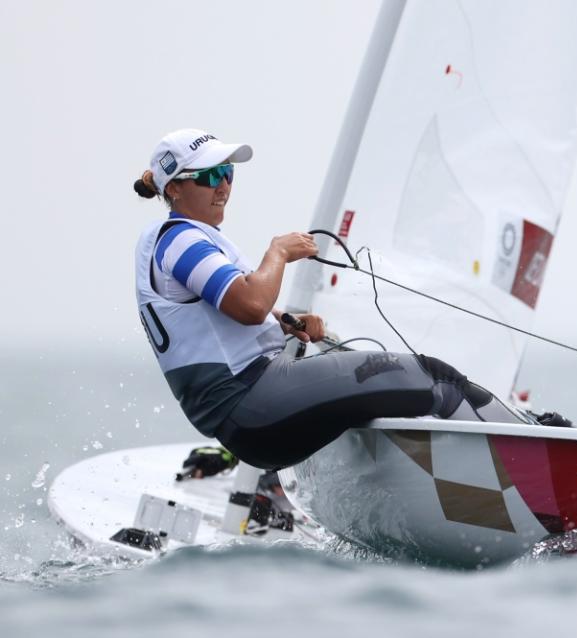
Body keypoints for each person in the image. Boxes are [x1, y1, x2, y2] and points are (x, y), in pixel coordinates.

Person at [133, 129, 527, 470]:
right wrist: (278, 252)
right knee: (438, 379)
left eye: (228, 173)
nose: (223, 186)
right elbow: (250, 306)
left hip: (251, 420)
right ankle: (530, 444)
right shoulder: (181, 239)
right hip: (256, 404)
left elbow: (225, 313)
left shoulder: (171, 243)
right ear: (174, 188)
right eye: (209, 176)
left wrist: (286, 318)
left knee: (389, 393)